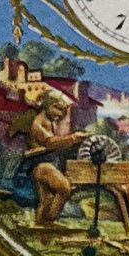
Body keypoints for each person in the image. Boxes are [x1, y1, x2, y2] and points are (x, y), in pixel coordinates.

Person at [21, 88, 80, 227]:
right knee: (64, 188)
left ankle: (43, 224)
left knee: (46, 198)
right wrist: (73, 138)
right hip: (40, 165)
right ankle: (49, 219)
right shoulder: (37, 124)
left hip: (47, 163)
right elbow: (50, 142)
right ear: (47, 104)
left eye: (62, 110)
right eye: (56, 108)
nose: (59, 113)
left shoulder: (50, 122)